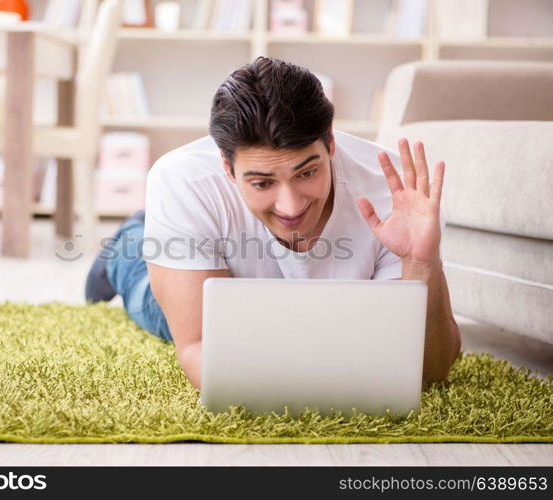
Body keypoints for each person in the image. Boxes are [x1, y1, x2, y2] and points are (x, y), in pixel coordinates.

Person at [85, 56, 461, 390]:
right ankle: (127, 245)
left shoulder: (398, 197)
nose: (290, 205)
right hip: (217, 268)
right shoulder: (184, 180)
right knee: (147, 299)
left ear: (330, 143)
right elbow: (200, 348)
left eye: (307, 172)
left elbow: (431, 370)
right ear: (227, 168)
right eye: (263, 183)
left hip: (295, 311)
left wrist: (421, 264)